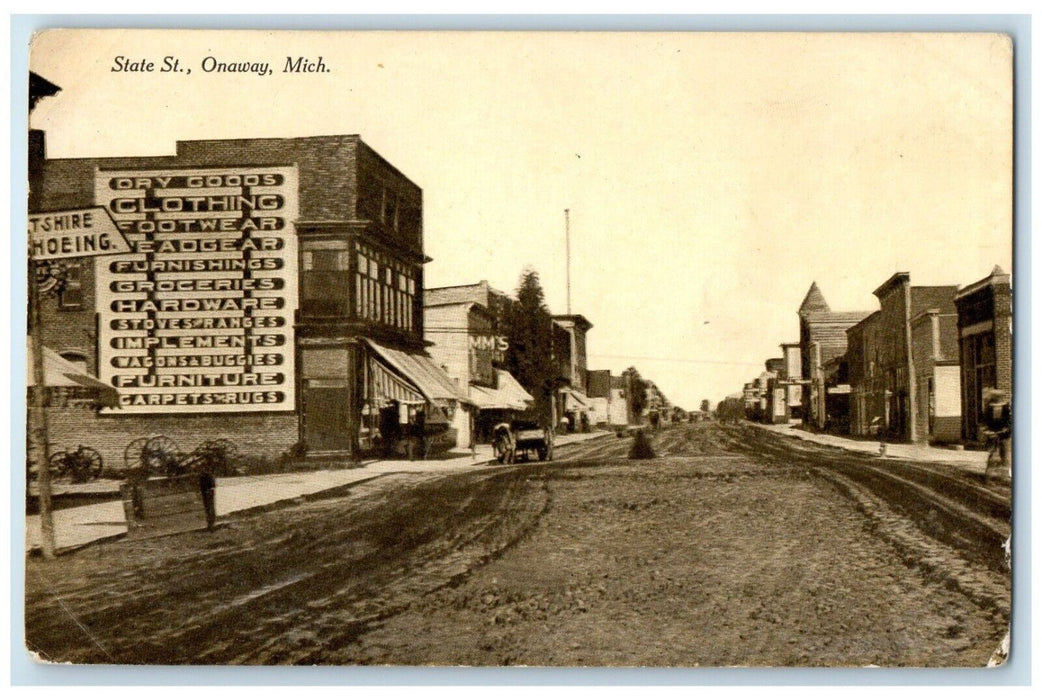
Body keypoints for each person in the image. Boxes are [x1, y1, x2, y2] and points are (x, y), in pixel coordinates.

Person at [199, 464, 217, 531]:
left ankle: (211, 524)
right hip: (205, 494)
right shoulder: (203, 477)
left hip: (208, 494)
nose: (202, 470)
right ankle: (210, 524)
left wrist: (209, 492)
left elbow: (212, 486)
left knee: (210, 508)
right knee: (208, 508)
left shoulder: (208, 476)